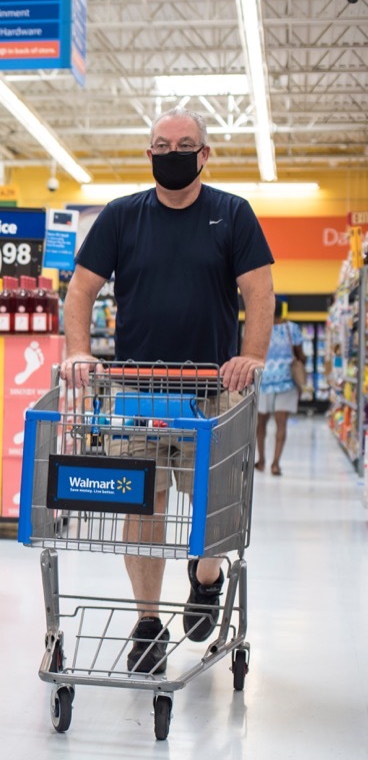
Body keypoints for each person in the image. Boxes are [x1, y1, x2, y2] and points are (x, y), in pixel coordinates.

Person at [63, 107, 275, 674]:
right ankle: (148, 622)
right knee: (145, 505)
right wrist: (79, 351)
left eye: (185, 144)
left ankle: (205, 578)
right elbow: (80, 291)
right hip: (138, 392)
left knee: (213, 506)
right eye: (162, 144)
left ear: (204, 155)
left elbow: (259, 291)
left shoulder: (232, 214)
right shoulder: (121, 217)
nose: (172, 152)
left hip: (212, 391)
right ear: (149, 153)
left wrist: (251, 356)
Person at [256, 297, 305, 475]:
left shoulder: (260, 328)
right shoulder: (292, 328)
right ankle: (275, 464)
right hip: (286, 382)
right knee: (281, 424)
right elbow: (301, 355)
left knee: (260, 424)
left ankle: (261, 460)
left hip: (264, 382)